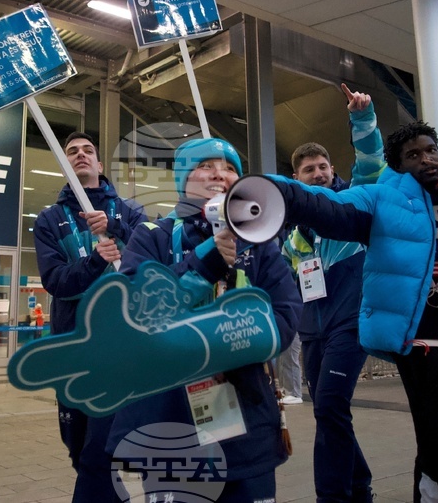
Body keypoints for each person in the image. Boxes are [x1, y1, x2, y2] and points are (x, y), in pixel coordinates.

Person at [264, 121, 438, 503]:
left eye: (430, 149)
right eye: (412, 155)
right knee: (437, 448)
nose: (426, 159)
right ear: (398, 166)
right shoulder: (382, 198)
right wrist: (272, 189)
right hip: (424, 347)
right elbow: (327, 206)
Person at [106, 137, 301, 501]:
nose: (220, 174)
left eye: (230, 168)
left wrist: (229, 341)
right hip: (170, 419)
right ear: (183, 178)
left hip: (246, 418)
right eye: (206, 165)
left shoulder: (259, 243)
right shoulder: (152, 237)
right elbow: (138, 311)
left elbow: (286, 314)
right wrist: (206, 260)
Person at [281, 84, 385, 503]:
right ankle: (360, 485)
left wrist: (362, 119)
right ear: (296, 179)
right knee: (330, 412)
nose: (320, 174)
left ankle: (334, 497)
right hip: (313, 332)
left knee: (328, 407)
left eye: (323, 166)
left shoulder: (351, 204)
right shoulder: (292, 237)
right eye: (310, 170)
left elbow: (371, 167)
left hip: (351, 322)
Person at [34, 131, 147, 502]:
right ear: (65, 165)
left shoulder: (130, 212)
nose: (80, 155)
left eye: (88, 151)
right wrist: (97, 259)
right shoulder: (50, 220)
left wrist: (116, 230)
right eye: (72, 152)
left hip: (124, 346)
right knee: (79, 447)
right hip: (73, 348)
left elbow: (152, 263)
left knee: (105, 447)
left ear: (99, 164)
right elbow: (55, 281)